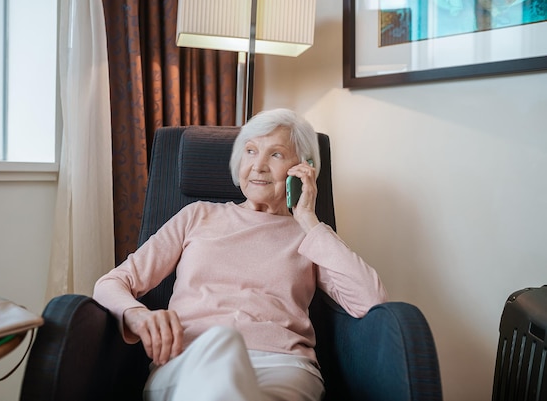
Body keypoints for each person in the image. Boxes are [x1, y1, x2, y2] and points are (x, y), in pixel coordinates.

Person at [93, 108, 388, 401]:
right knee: (222, 345)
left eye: (275, 154)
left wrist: (309, 220)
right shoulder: (197, 216)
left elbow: (370, 300)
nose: (258, 166)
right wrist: (136, 316)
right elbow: (111, 283)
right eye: (250, 151)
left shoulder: (310, 236)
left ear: (303, 168)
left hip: (281, 366)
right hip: (190, 358)